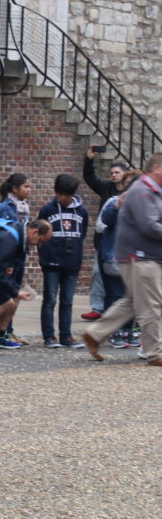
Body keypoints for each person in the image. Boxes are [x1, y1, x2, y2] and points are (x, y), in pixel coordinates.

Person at [82, 156, 162, 366]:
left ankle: (95, 333)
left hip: (139, 255)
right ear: (157, 168)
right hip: (141, 256)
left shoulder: (148, 191)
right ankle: (154, 352)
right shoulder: (144, 191)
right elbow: (149, 226)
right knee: (152, 305)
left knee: (134, 301)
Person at [37, 174, 88, 349]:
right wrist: (44, 256)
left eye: (67, 195)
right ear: (56, 193)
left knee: (67, 301)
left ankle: (66, 336)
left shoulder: (81, 211)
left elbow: (82, 233)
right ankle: (49, 336)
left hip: (72, 262)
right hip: (51, 262)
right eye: (61, 194)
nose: (64, 198)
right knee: (50, 299)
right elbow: (40, 234)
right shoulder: (47, 210)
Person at [0, 173, 32, 345]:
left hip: (19, 256)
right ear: (14, 188)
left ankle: (8, 331)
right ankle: (2, 333)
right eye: (26, 186)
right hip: (8, 258)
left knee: (14, 294)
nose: (29, 190)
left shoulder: (25, 207)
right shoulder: (3, 208)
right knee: (7, 296)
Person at [81, 146, 126, 320]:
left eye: (117, 172)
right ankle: (97, 308)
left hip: (123, 243)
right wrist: (89, 159)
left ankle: (120, 313)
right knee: (98, 273)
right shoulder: (107, 188)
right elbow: (90, 178)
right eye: (112, 173)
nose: (113, 175)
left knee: (122, 279)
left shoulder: (133, 191)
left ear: (125, 174)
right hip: (104, 242)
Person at [96, 170, 139, 348]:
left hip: (133, 257)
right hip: (114, 257)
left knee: (132, 297)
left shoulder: (140, 205)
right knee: (114, 295)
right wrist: (116, 206)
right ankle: (112, 332)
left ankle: (127, 331)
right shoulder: (114, 202)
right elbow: (103, 222)